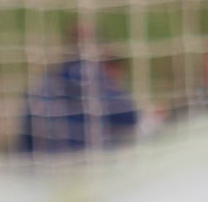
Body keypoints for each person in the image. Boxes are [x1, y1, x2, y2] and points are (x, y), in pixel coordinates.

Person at [13, 23, 142, 157]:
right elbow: (131, 117)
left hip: (36, 167)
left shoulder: (45, 85)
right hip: (90, 166)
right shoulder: (99, 87)